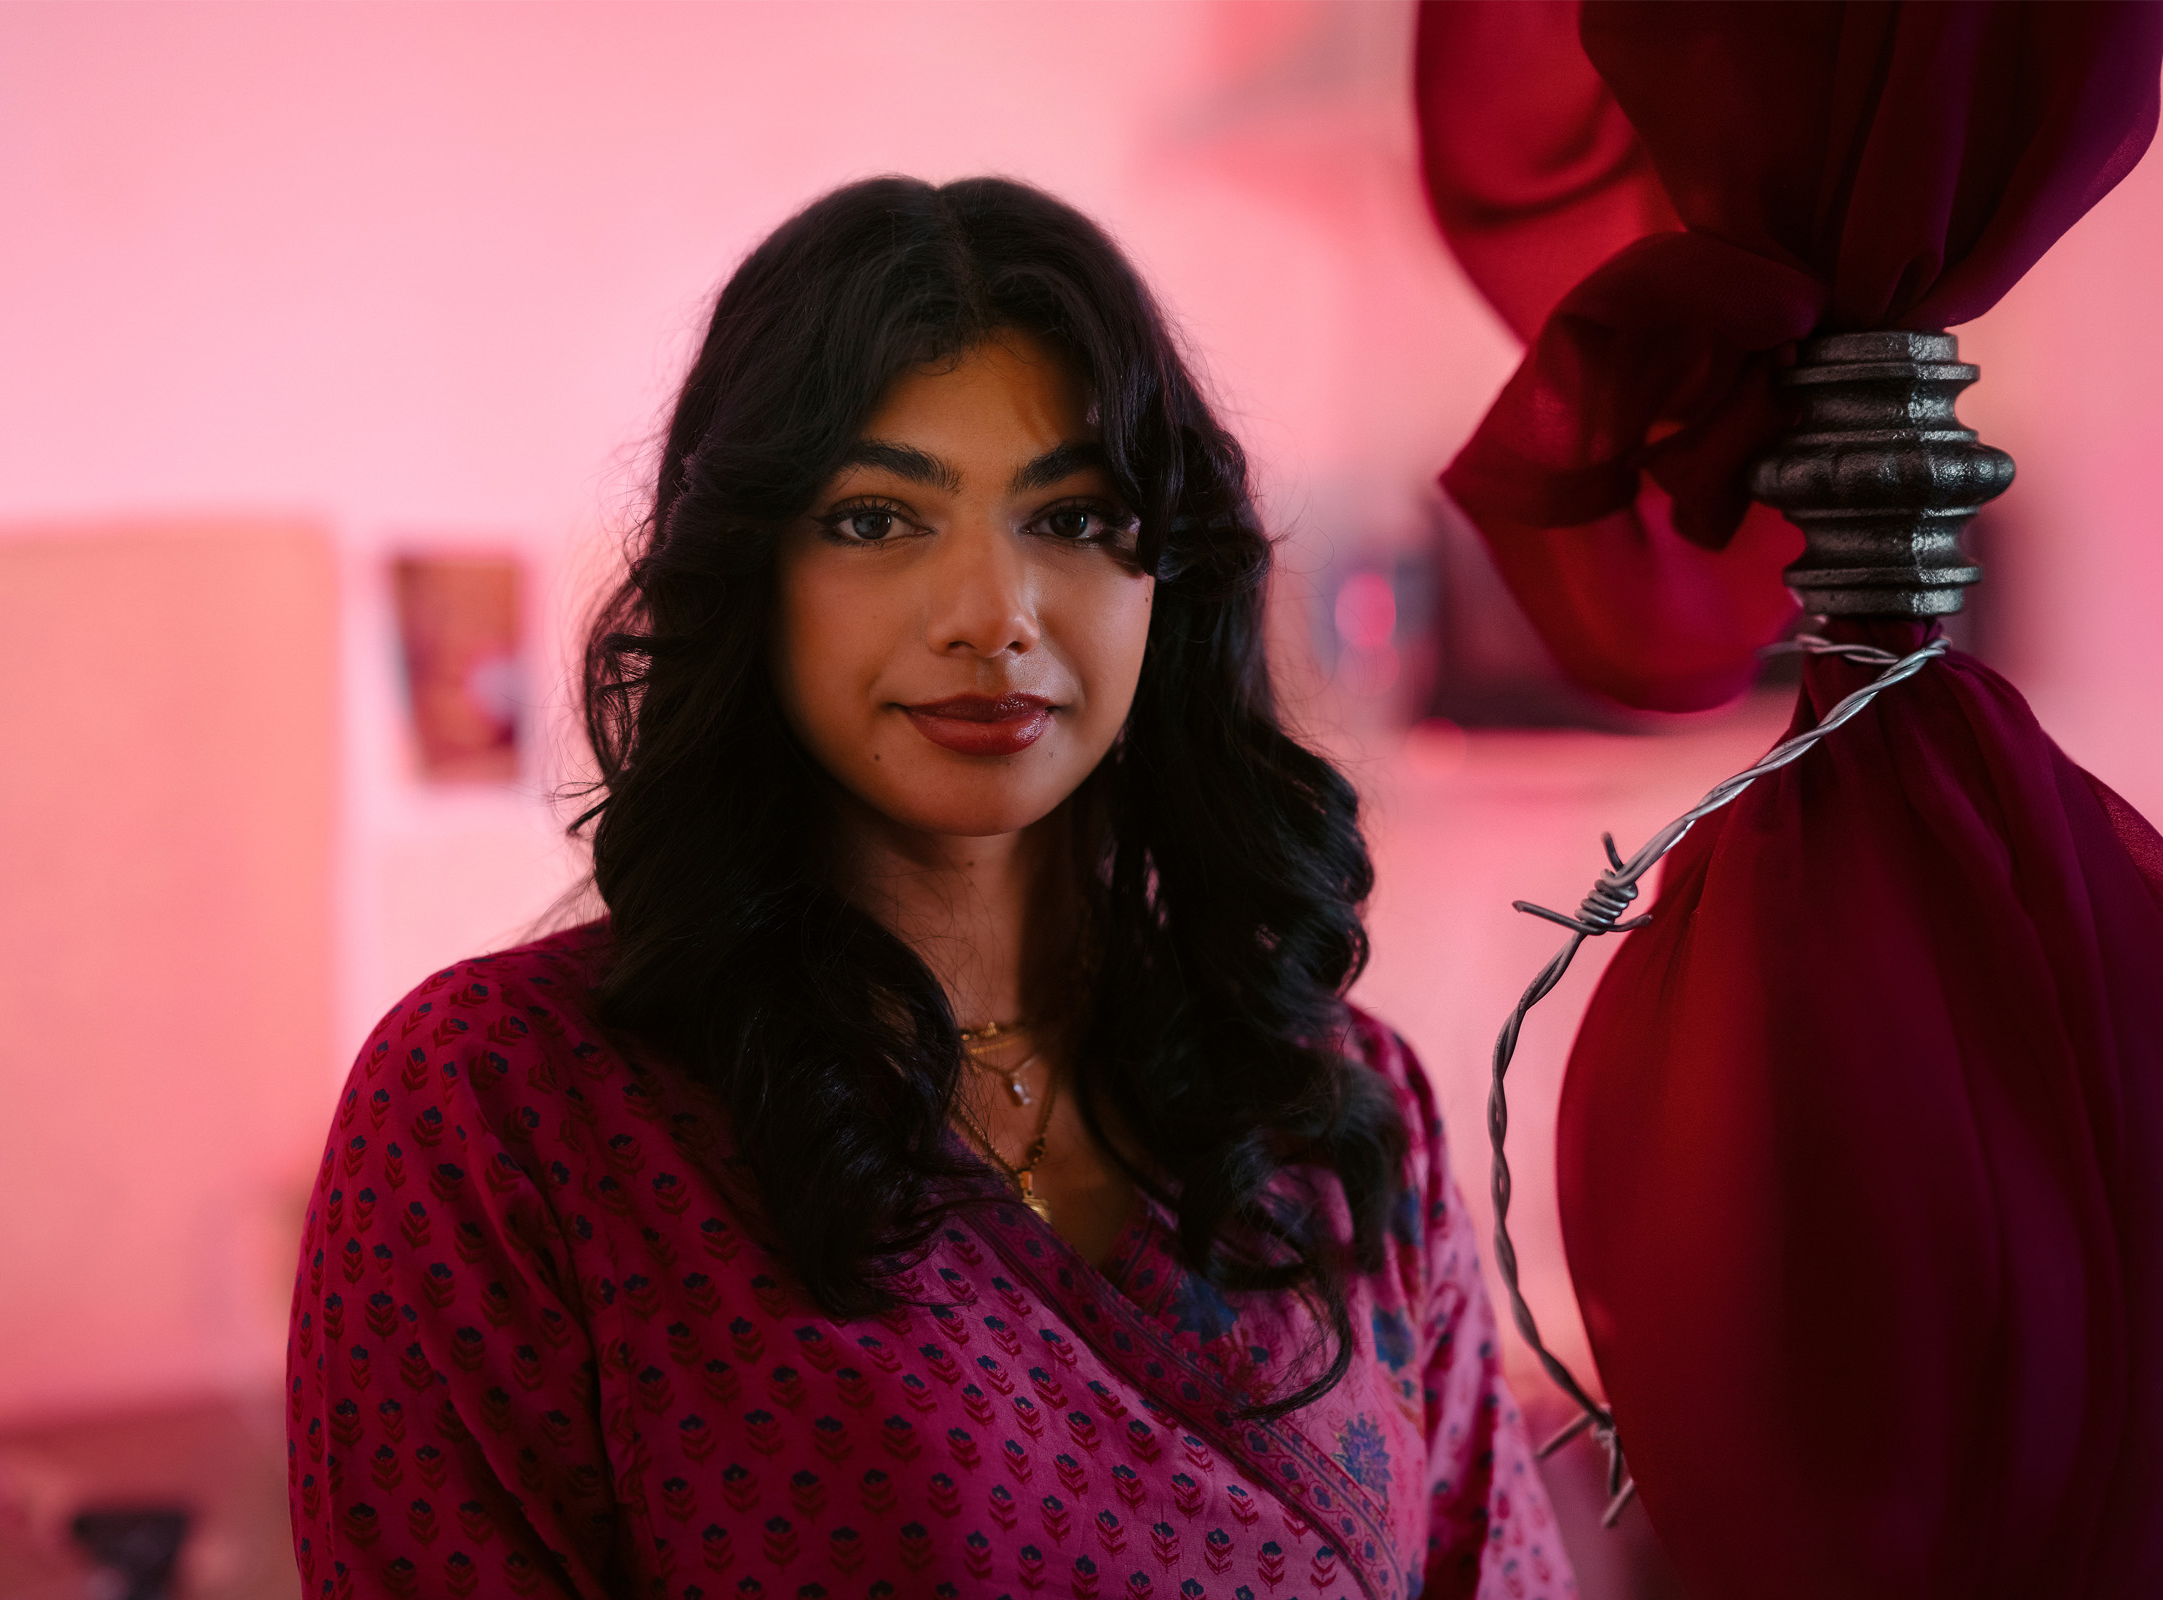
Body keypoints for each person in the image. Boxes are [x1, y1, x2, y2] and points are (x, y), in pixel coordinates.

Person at [286, 176, 1572, 1600]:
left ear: (1168, 583)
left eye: (1074, 518)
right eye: (877, 520)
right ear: (752, 575)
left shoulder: (1334, 1110)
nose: (993, 615)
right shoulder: (502, 1109)